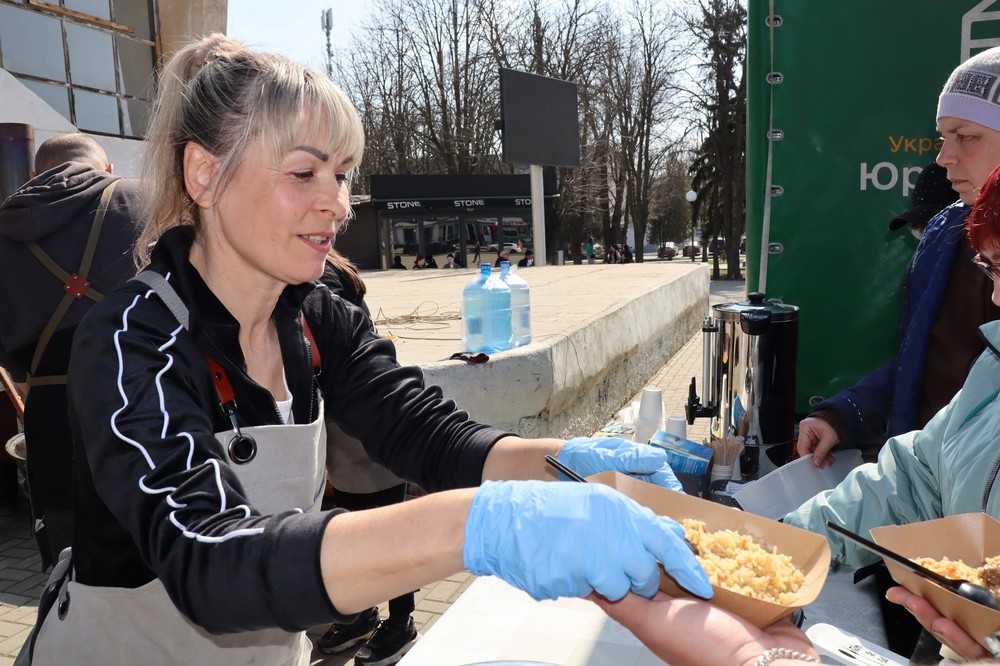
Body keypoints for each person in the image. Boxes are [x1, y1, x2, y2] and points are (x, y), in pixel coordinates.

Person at [24, 34, 711, 664]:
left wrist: (570, 465)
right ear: (204, 176)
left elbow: (429, 436)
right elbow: (208, 561)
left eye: (344, 174)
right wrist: (482, 525)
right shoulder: (132, 338)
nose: (338, 204)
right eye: (304, 174)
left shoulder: (319, 319)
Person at [0, 132, 142, 568]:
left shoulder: (5, 228)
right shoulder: (143, 200)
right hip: (145, 405)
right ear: (107, 170)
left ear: (34, 176)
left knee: (72, 569)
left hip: (52, 419)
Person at [797, 159, 984, 468]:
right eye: (918, 229)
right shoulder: (935, 270)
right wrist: (841, 416)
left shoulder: (970, 275)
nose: (923, 237)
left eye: (965, 135)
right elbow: (918, 369)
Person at [315, 250, 417, 663]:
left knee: (385, 533)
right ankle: (363, 612)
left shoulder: (321, 278)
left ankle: (403, 621)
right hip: (342, 429)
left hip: (364, 425)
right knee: (357, 532)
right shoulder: (318, 269)